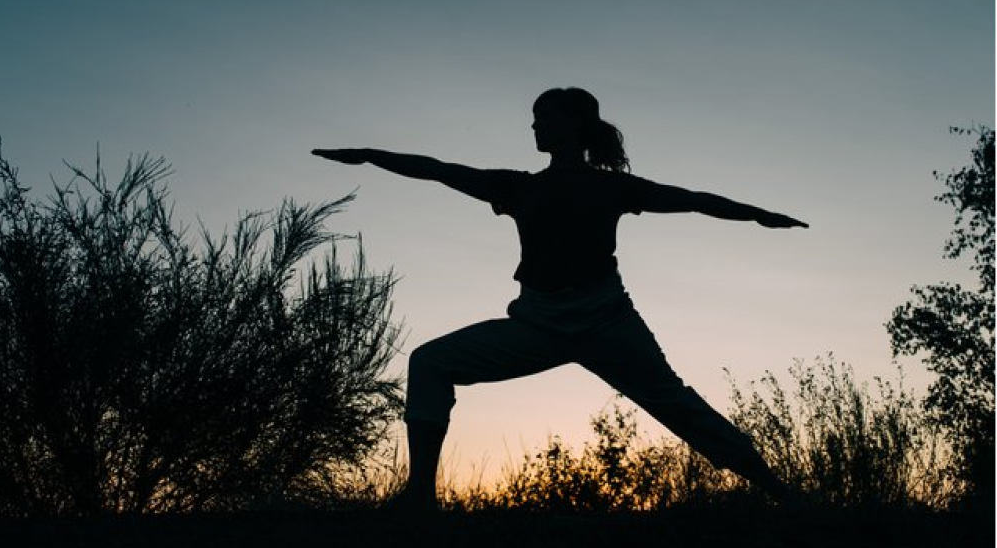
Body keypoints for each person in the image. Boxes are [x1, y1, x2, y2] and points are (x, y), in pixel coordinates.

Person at [312, 86, 807, 511]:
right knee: (430, 363)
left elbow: (696, 200)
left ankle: (783, 494)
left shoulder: (612, 187)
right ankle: (419, 497)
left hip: (607, 320)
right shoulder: (517, 187)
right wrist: (370, 154)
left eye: (543, 117)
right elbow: (438, 169)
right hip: (538, 323)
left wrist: (759, 214)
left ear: (573, 124)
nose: (534, 127)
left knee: (675, 404)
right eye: (533, 119)